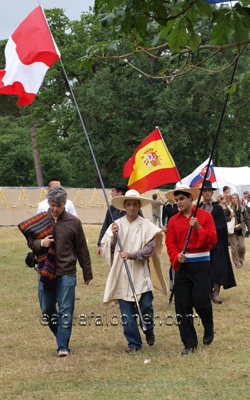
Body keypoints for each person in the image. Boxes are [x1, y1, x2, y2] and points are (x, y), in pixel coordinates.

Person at [25, 186, 93, 357]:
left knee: (66, 309)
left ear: (65, 204)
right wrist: (41, 244)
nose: (55, 209)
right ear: (48, 203)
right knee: (47, 310)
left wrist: (87, 271)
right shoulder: (40, 220)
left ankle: (63, 346)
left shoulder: (73, 222)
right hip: (45, 271)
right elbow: (30, 241)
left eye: (59, 205)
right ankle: (61, 337)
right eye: (52, 205)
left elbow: (82, 248)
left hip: (67, 272)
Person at [101, 189, 167, 353]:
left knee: (145, 306)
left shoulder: (147, 226)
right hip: (122, 274)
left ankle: (148, 329)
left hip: (140, 274)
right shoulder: (116, 225)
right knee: (126, 312)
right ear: (124, 206)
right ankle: (133, 343)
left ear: (139, 206)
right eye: (128, 204)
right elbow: (106, 247)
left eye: (134, 204)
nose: (131, 207)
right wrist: (114, 237)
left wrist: (132, 255)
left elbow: (149, 250)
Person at [165, 185, 217, 355]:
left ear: (191, 199)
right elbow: (170, 243)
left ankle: (208, 327)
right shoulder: (173, 221)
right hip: (182, 267)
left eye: (181, 199)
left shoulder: (205, 216)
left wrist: (198, 228)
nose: (178, 202)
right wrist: (176, 256)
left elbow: (213, 240)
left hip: (201, 264)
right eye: (176, 200)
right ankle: (189, 342)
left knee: (200, 301)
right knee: (182, 305)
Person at [199, 180, 236, 304]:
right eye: (205, 190)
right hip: (201, 244)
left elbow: (221, 227)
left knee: (217, 265)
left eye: (209, 190)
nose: (207, 192)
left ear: (212, 192)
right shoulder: (198, 208)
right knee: (204, 268)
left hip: (216, 243)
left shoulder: (217, 208)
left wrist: (208, 231)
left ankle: (215, 292)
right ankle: (207, 291)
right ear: (202, 192)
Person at [96, 182, 128, 257]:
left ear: (120, 193)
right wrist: (100, 244)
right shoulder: (112, 208)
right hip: (114, 246)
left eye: (113, 191)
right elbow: (105, 226)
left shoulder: (131, 209)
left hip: (128, 246)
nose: (111, 193)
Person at [225, 193, 250, 268]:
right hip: (232, 230)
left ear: (238, 199)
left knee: (242, 247)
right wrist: (230, 216)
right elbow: (224, 218)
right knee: (234, 248)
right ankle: (236, 262)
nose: (234, 200)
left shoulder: (242, 208)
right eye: (232, 198)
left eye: (235, 198)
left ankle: (241, 259)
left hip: (240, 229)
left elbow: (247, 218)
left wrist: (249, 228)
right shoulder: (228, 209)